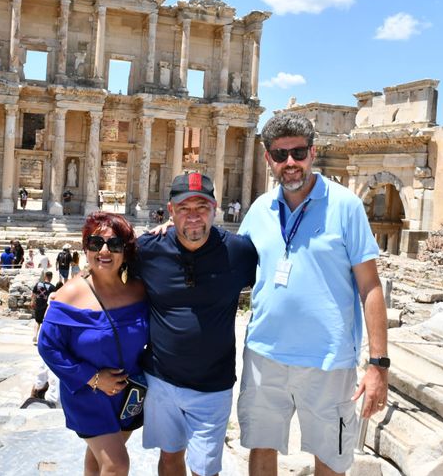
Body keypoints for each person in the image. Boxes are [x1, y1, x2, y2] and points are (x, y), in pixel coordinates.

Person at [237, 112, 389, 476]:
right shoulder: (260, 209)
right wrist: (171, 228)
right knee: (261, 446)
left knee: (331, 457)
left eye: (299, 152)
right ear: (267, 158)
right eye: (280, 154)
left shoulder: (346, 206)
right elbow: (226, 261)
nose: (290, 163)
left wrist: (379, 365)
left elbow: (370, 286)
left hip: (328, 360)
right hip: (264, 355)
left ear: (313, 152)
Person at [135, 172, 257, 476]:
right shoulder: (147, 250)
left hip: (212, 386)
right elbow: (106, 269)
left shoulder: (239, 252)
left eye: (201, 208)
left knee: (205, 468)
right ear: (170, 210)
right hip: (161, 380)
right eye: (184, 209)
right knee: (169, 458)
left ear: (215, 209)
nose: (193, 217)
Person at [38, 212, 148, 476]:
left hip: (128, 393)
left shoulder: (139, 290)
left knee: (98, 460)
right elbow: (48, 346)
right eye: (96, 244)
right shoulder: (69, 294)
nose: (105, 251)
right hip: (88, 394)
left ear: (126, 250)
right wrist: (94, 378)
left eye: (115, 244)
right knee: (116, 464)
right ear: (86, 249)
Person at [31, 271, 55, 343]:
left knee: (37, 321)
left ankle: (35, 335)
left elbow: (33, 293)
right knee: (45, 322)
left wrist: (32, 301)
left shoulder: (38, 284)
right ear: (51, 277)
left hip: (38, 304)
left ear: (45, 276)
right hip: (46, 306)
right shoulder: (52, 287)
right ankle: (43, 338)